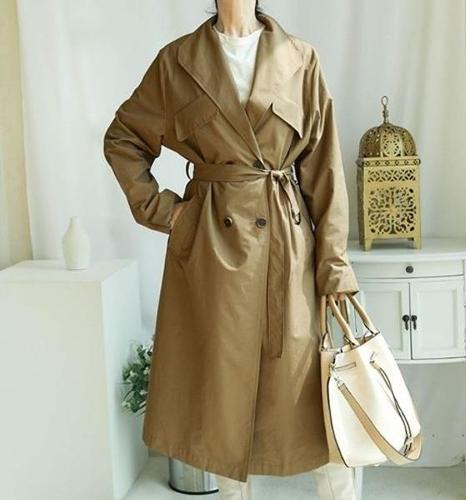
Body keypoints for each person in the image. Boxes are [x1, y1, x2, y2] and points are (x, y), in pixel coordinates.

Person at [103, 1, 360, 499]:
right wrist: (170, 214)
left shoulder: (300, 58)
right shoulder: (178, 62)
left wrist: (334, 267)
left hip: (288, 251)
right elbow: (123, 139)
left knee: (313, 399)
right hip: (213, 252)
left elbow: (325, 172)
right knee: (223, 399)